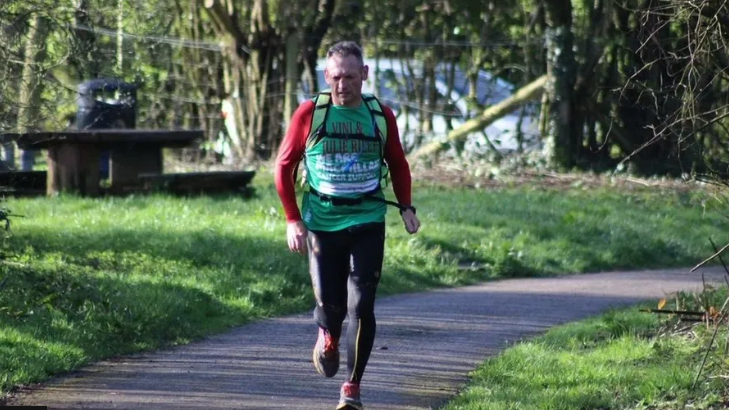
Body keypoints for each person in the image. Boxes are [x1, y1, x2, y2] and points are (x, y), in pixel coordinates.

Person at [274, 40, 420, 410]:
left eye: (351, 77)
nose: (343, 85)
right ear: (327, 76)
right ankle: (328, 335)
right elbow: (283, 166)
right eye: (336, 77)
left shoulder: (380, 115)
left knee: (363, 305)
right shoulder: (310, 114)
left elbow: (399, 163)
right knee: (332, 307)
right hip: (323, 224)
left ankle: (352, 390)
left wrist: (406, 207)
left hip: (368, 218)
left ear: (364, 75)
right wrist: (293, 219)